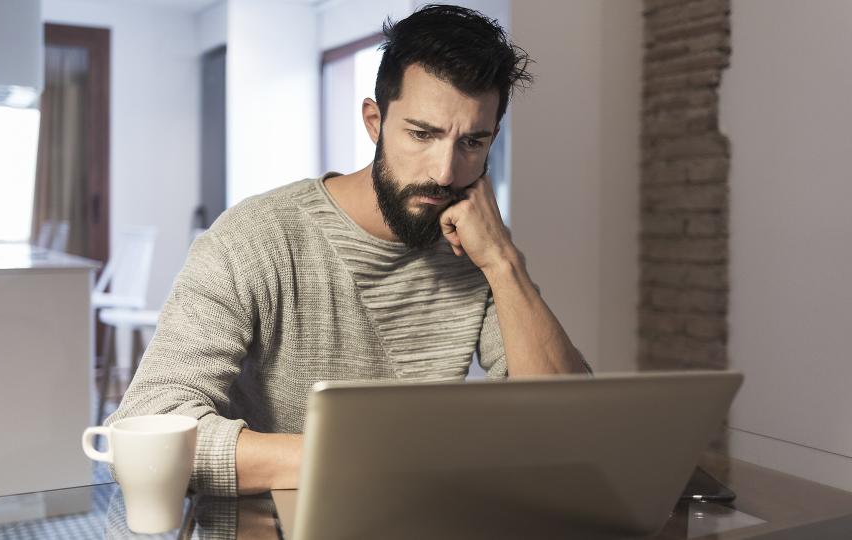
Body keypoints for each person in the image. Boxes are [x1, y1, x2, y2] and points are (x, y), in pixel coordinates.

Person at [106, 4, 591, 498]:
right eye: (422, 134)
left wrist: (504, 262)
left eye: (472, 142)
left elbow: (570, 429)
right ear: (374, 122)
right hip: (271, 522)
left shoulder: (481, 249)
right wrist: (372, 457)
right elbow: (149, 425)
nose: (445, 172)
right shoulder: (253, 238)